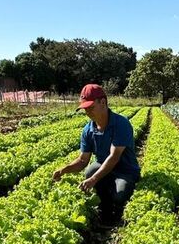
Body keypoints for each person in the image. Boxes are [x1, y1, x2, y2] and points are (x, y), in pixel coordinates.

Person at [51, 83, 140, 226]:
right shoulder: (88, 130)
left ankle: (117, 209)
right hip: (104, 167)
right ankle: (104, 207)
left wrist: (94, 179)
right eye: (85, 108)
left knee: (119, 195)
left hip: (125, 170)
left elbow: (114, 157)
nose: (87, 112)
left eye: (91, 107)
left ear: (103, 102)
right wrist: (63, 170)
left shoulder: (121, 124)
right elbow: (82, 160)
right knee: (90, 170)